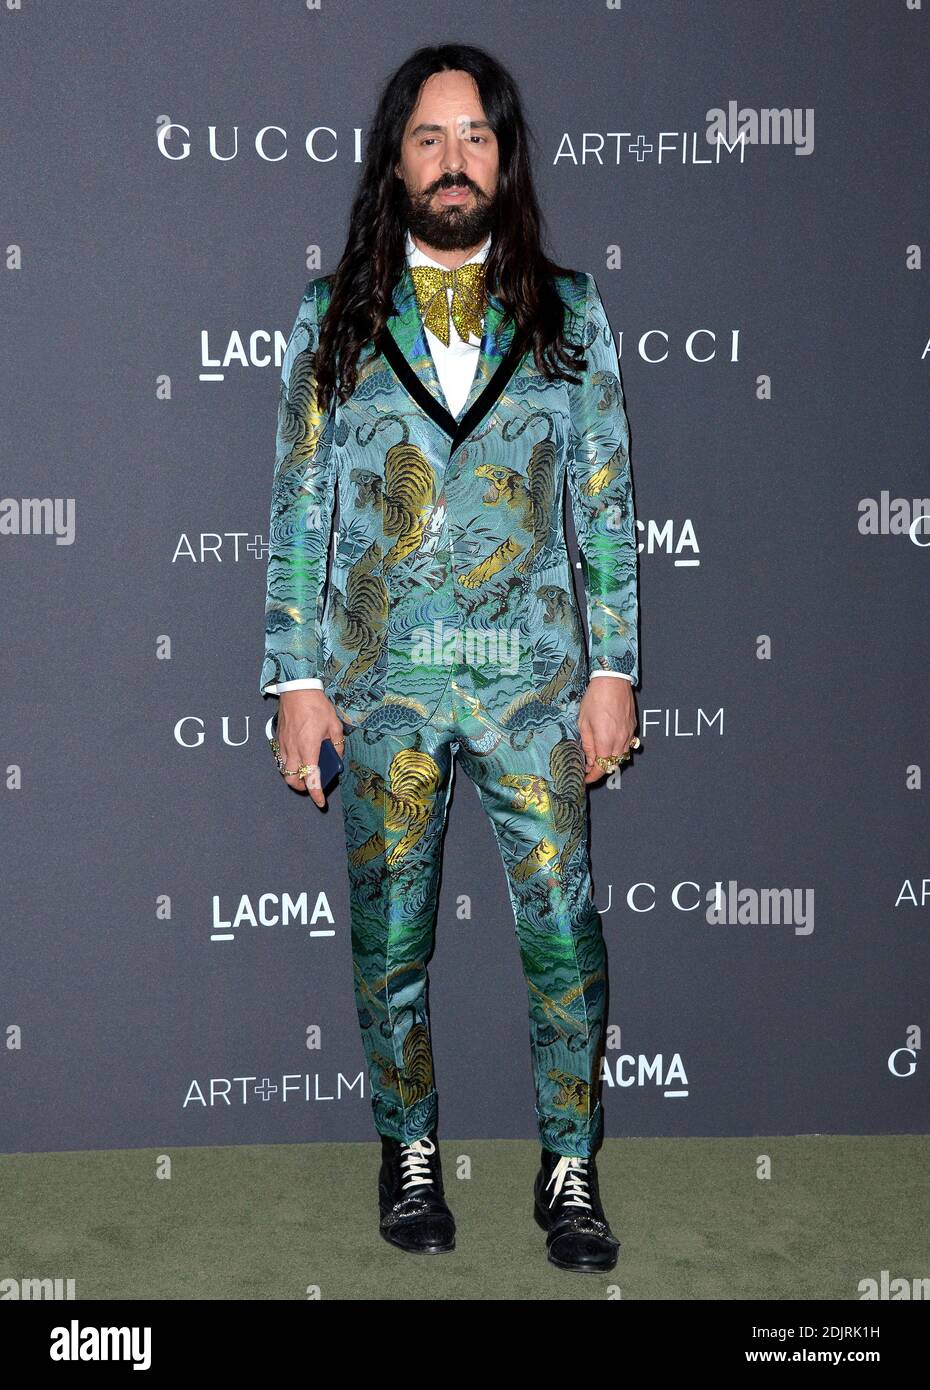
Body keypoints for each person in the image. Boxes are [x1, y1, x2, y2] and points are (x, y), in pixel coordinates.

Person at [260, 43, 640, 1274]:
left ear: (505, 155)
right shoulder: (336, 317)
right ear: (397, 158)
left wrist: (612, 668)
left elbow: (606, 507)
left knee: (563, 939)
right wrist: (297, 680)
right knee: (391, 941)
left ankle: (570, 1167)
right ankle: (408, 1149)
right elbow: (301, 508)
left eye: (475, 135)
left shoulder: (569, 312)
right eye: (430, 137)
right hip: (384, 688)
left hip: (535, 685)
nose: (454, 159)